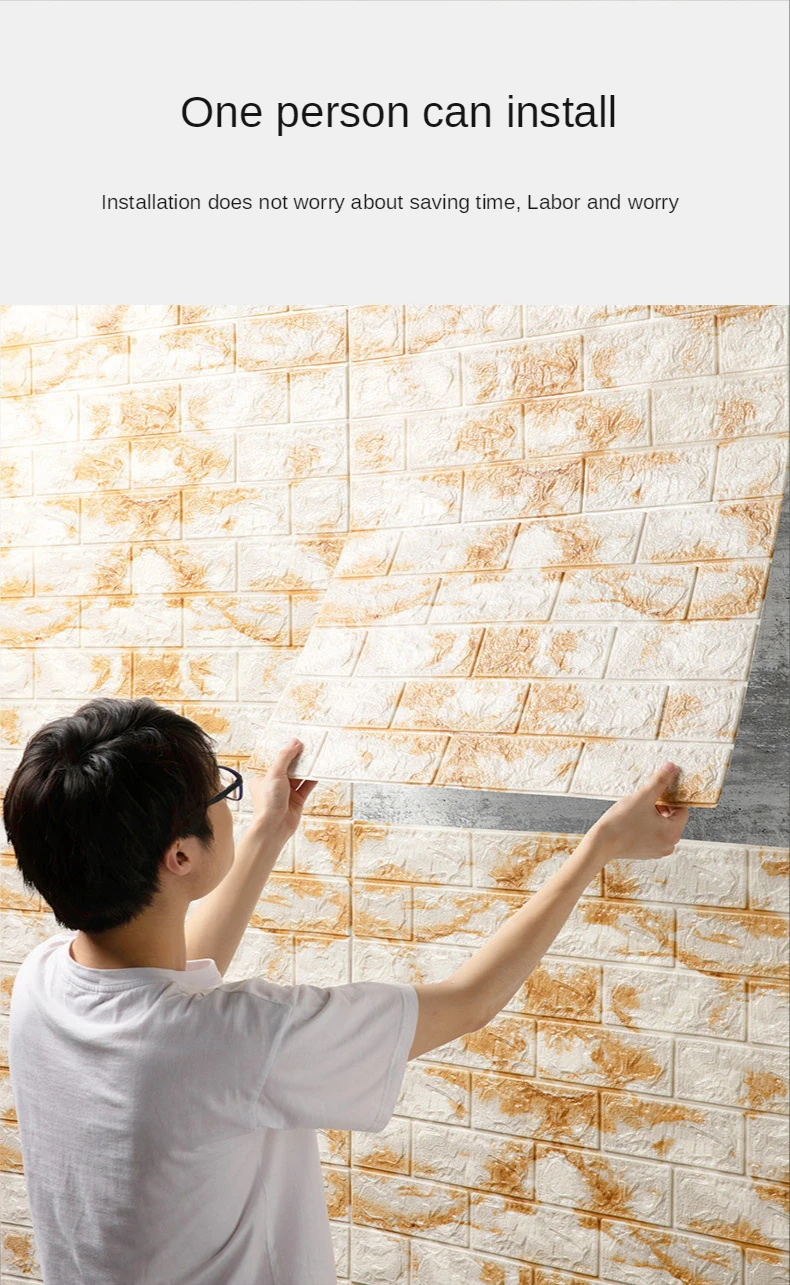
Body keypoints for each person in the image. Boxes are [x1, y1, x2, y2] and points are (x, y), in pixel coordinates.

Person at [4, 696, 689, 1285]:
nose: (232, 805)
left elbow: (178, 981)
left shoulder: (43, 984)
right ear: (179, 855)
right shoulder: (246, 1040)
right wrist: (600, 845)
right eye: (223, 794)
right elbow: (471, 1000)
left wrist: (269, 830)